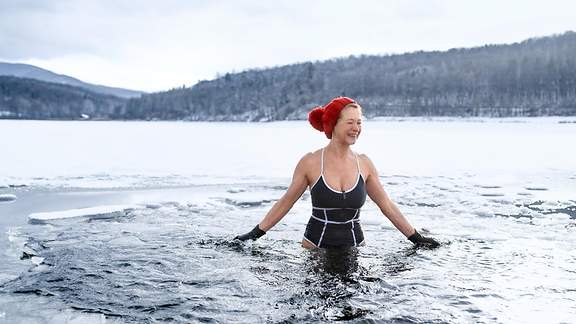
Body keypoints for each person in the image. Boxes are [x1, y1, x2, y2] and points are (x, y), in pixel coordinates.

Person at [235, 97, 439, 249]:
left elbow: (387, 205)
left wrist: (416, 238)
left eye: (359, 122)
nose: (356, 128)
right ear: (334, 125)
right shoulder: (311, 162)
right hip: (315, 249)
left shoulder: (364, 164)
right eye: (350, 122)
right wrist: (254, 234)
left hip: (355, 249)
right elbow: (286, 202)